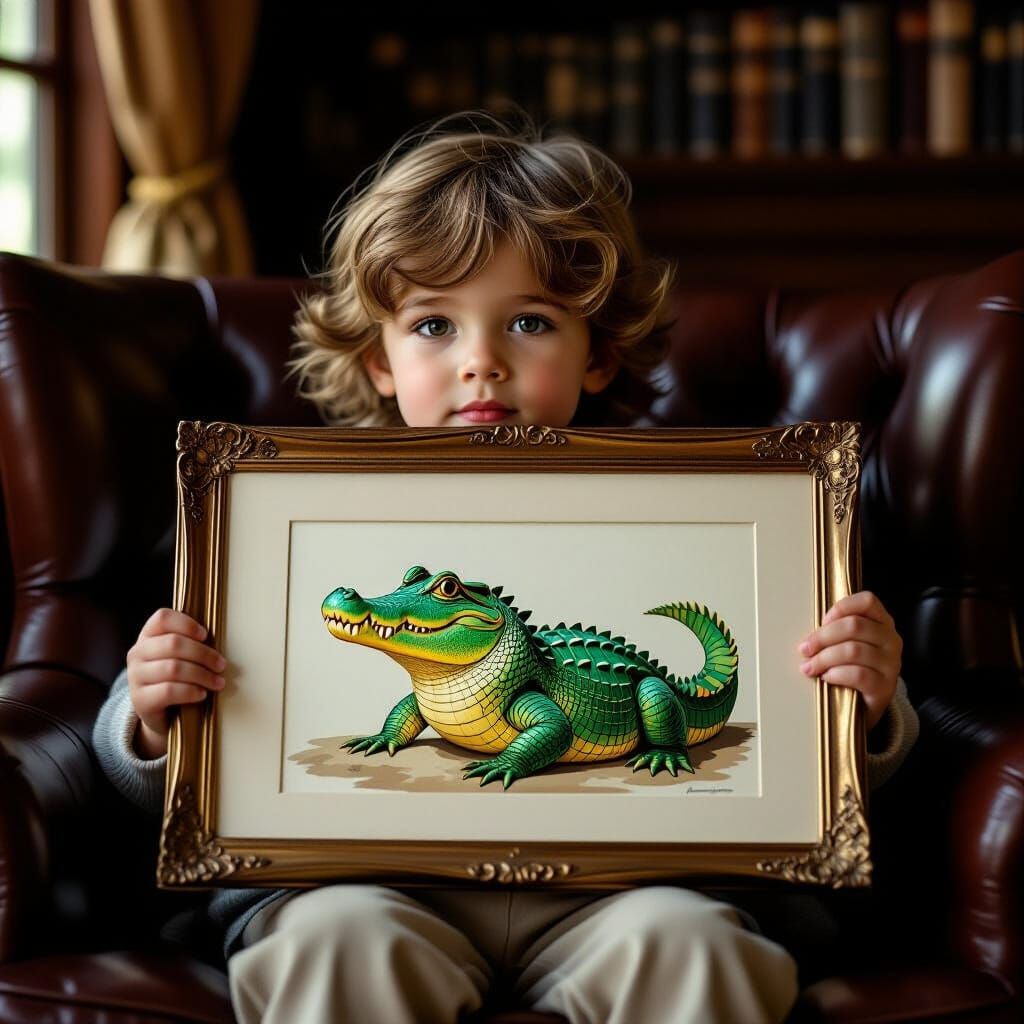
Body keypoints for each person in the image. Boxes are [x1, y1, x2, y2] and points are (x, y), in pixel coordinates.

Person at [93, 108, 918, 1024]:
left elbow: (815, 768)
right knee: (336, 947)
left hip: (632, 886)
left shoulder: (716, 512)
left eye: (529, 321)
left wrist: (868, 705)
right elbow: (156, 755)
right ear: (376, 359)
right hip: (367, 885)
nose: (481, 363)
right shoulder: (283, 514)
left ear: (598, 353)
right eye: (434, 325)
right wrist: (150, 712)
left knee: (694, 949)